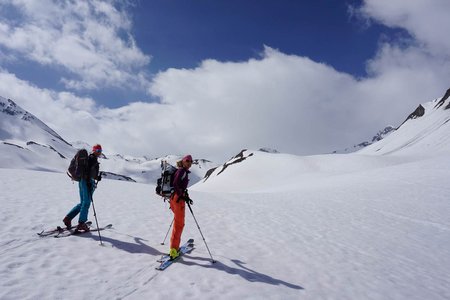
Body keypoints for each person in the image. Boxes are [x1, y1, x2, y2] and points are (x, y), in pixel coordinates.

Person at [63, 144, 103, 231]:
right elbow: (88, 173)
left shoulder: (89, 159)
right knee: (86, 203)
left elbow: (89, 172)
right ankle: (81, 223)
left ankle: (68, 218)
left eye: (100, 151)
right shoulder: (92, 159)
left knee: (82, 203)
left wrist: (97, 177)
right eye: (98, 151)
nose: (99, 152)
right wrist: (89, 181)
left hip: (83, 181)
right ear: (94, 150)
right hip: (87, 182)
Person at [169, 154, 193, 259]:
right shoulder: (182, 171)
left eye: (191, 161)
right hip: (178, 200)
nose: (189, 163)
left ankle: (174, 247)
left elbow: (179, 186)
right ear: (183, 161)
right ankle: (174, 250)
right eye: (187, 161)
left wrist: (185, 196)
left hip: (175, 198)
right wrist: (181, 195)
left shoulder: (181, 171)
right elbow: (175, 184)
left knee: (177, 222)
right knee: (179, 224)